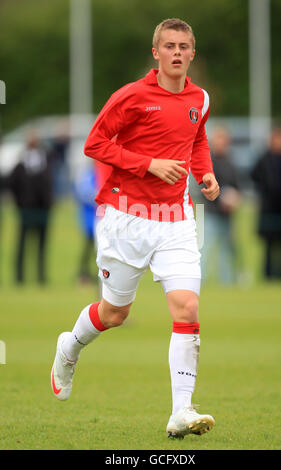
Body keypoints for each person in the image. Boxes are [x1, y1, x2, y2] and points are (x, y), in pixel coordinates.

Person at [51, 18, 220, 439]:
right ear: (156, 53)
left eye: (184, 46)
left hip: (176, 219)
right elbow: (95, 143)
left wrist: (206, 174)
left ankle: (182, 410)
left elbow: (196, 138)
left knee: (187, 308)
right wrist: (148, 164)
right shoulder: (131, 97)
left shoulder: (200, 97)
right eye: (169, 46)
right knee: (115, 313)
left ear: (192, 53)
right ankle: (69, 346)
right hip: (125, 220)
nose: (177, 52)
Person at [190, 127, 241, 284]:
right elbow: (199, 188)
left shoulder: (231, 162)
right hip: (209, 213)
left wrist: (234, 199)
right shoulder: (206, 162)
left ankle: (226, 281)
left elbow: (236, 186)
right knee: (204, 248)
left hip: (226, 215)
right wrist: (221, 199)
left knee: (227, 249)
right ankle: (199, 279)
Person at [251, 126, 281, 281]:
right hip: (269, 208)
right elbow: (254, 176)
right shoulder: (264, 158)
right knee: (269, 244)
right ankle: (268, 274)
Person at [9, 130, 53, 284]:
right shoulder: (21, 164)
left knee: (42, 245)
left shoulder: (45, 160)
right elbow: (13, 185)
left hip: (42, 209)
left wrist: (48, 202)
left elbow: (49, 184)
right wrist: (20, 203)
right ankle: (19, 277)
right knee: (22, 244)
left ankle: (41, 276)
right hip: (26, 209)